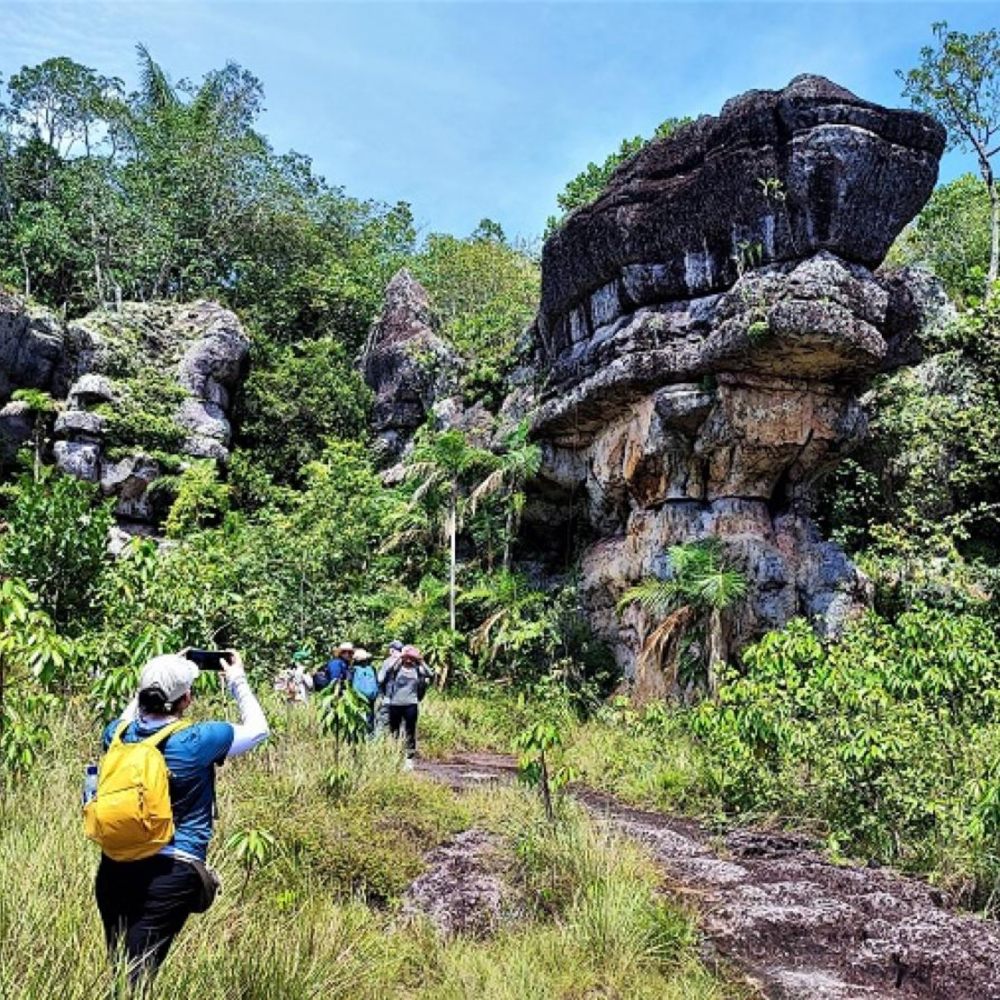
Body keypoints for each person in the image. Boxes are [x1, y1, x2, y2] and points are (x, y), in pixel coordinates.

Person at [93, 650, 269, 986]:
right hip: (172, 872)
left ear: (141, 693)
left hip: (114, 867)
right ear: (186, 699)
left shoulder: (115, 735)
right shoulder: (197, 740)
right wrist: (238, 682)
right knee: (136, 980)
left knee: (123, 975)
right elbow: (259, 730)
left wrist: (154, 677)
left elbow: (131, 717)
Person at [378, 644, 433, 760]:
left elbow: (430, 674)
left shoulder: (417, 669)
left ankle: (409, 756)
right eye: (406, 657)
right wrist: (399, 657)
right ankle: (394, 752)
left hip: (411, 704)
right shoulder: (397, 668)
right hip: (395, 704)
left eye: (411, 657)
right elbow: (387, 671)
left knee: (410, 730)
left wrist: (421, 661)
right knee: (394, 730)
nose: (408, 659)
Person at [375, 639, 403, 734]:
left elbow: (380, 679)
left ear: (391, 650)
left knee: (381, 723)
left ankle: (377, 745)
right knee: (401, 726)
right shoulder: (408, 662)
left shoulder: (388, 662)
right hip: (404, 700)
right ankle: (399, 746)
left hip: (389, 698)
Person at [350, 647, 379, 734]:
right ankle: (370, 737)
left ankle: (359, 736)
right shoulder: (372, 668)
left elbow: (349, 683)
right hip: (371, 698)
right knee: (370, 717)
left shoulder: (352, 669)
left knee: (358, 718)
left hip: (357, 698)